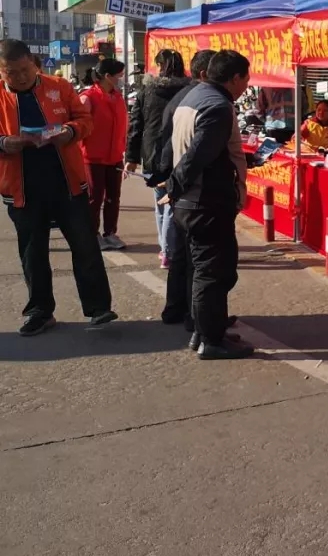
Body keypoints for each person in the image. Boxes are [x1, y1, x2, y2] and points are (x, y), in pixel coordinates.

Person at [0, 38, 118, 336]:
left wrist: (70, 131)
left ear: (33, 63)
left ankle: (98, 308)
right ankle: (40, 311)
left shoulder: (60, 86)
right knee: (33, 252)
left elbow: (84, 119)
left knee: (85, 244)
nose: (20, 77)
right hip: (22, 189)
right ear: (1, 71)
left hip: (67, 183)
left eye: (24, 70)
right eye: (11, 72)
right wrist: (4, 142)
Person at [165, 50, 254, 360]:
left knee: (208, 270)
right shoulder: (217, 106)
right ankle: (211, 341)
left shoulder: (193, 97)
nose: (246, 86)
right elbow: (198, 155)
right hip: (205, 202)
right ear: (235, 78)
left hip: (192, 202)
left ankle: (205, 331)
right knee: (213, 273)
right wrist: (174, 186)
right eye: (246, 79)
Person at [125, 48, 190, 268]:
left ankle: (166, 249)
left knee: (161, 203)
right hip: (179, 152)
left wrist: (132, 157)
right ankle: (170, 250)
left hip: (153, 154)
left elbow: (136, 125)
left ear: (160, 66)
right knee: (174, 202)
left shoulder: (147, 90)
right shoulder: (188, 90)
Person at [80, 58, 129, 250]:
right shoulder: (88, 98)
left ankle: (110, 233)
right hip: (93, 157)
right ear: (107, 76)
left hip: (115, 156)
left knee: (113, 198)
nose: (121, 79)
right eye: (119, 76)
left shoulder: (118, 97)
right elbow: (79, 128)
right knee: (94, 198)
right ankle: (92, 234)